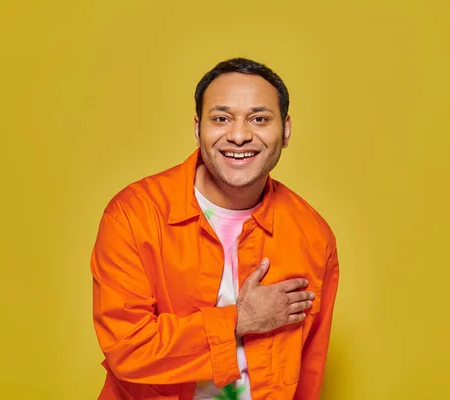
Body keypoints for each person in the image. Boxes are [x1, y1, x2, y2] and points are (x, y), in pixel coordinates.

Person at [91, 57, 340, 400]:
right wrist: (240, 319)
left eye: (259, 119)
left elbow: (309, 370)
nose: (239, 135)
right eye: (221, 119)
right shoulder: (135, 214)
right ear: (198, 129)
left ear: (285, 131)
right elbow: (128, 349)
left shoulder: (312, 235)